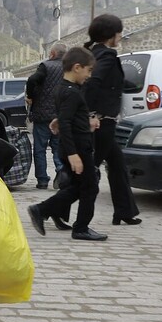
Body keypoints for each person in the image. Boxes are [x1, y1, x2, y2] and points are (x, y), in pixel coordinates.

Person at [27, 47, 107, 241]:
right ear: (77, 67)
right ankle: (79, 227)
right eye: (88, 70)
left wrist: (84, 122)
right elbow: (66, 121)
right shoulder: (72, 92)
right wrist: (73, 154)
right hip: (78, 148)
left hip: (72, 146)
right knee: (90, 187)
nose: (89, 75)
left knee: (76, 187)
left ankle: (47, 211)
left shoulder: (63, 89)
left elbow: (65, 117)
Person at [82, 14, 142, 226]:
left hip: (103, 122)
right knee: (88, 171)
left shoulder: (94, 54)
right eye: (119, 32)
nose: (121, 36)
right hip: (101, 123)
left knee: (118, 166)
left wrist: (130, 85)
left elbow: (108, 83)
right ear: (111, 35)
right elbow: (93, 83)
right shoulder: (106, 56)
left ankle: (124, 211)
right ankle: (49, 209)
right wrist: (90, 114)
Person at [26, 42, 66, 189]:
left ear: (53, 54)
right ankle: (61, 173)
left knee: (40, 149)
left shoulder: (45, 66)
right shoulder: (69, 67)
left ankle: (42, 181)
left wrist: (30, 96)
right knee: (58, 147)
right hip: (61, 115)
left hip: (42, 115)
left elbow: (31, 80)